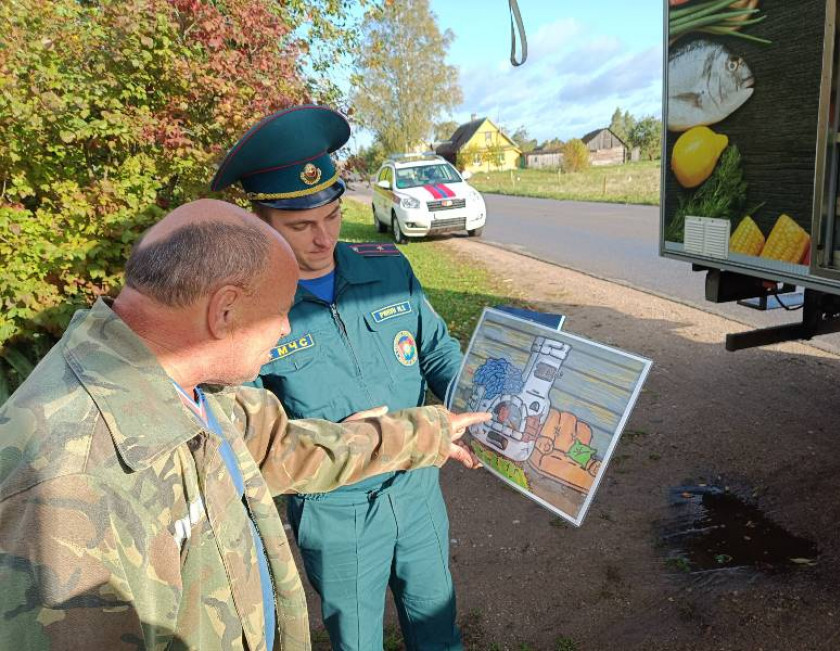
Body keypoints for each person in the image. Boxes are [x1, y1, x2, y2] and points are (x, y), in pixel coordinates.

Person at [0, 199, 489, 649]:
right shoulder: (72, 481)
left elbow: (281, 445)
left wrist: (428, 433)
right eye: (279, 313)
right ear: (225, 312)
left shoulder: (184, 382)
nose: (284, 328)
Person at [211, 106, 468, 650]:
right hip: (337, 511)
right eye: (301, 226)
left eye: (331, 216)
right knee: (357, 642)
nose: (323, 237)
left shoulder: (387, 268)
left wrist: (477, 397)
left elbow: (438, 351)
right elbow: (255, 443)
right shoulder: (248, 315)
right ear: (261, 224)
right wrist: (343, 439)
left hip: (418, 487)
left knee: (438, 629)